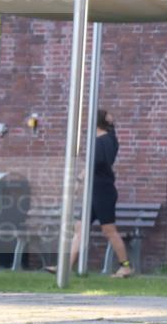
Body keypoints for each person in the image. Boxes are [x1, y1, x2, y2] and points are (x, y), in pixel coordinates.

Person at [47, 109, 133, 278]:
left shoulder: (103, 141)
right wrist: (80, 182)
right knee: (80, 227)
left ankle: (126, 267)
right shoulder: (105, 139)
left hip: (102, 191)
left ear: (95, 122)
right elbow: (92, 164)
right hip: (96, 191)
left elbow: (93, 165)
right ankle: (65, 266)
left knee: (109, 230)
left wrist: (79, 182)